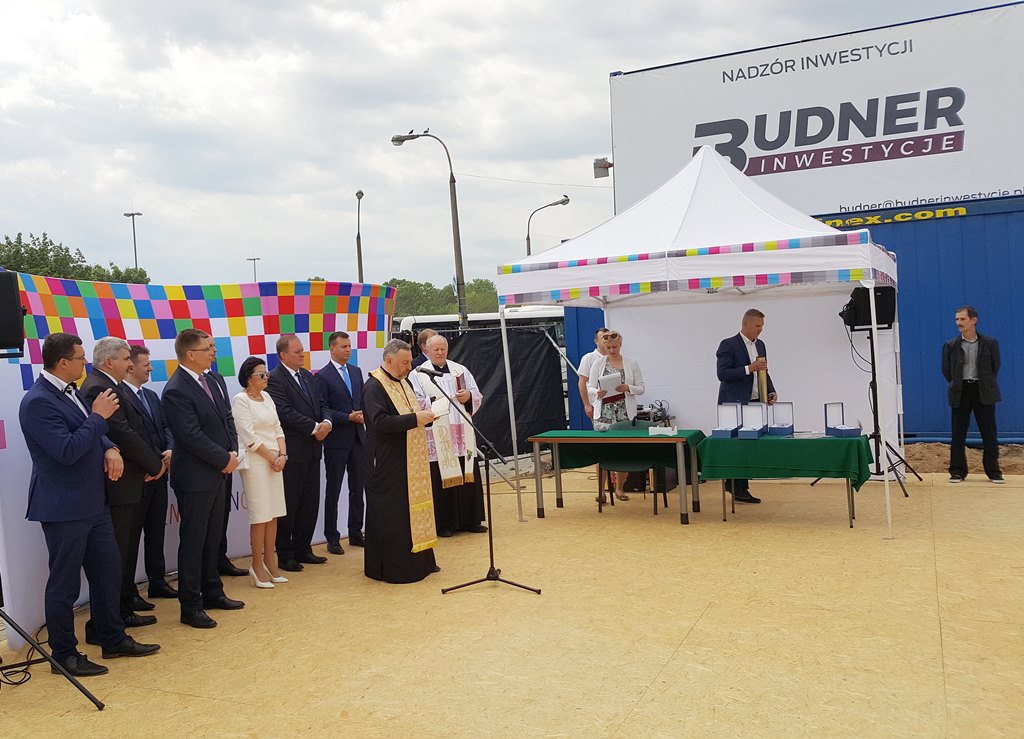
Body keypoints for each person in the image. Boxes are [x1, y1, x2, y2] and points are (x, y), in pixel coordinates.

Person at [19, 333, 159, 677]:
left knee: (108, 572)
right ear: (63, 362)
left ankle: (112, 637)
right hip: (64, 507)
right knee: (64, 585)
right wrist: (98, 417)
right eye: (80, 358)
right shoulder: (37, 401)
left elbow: (95, 433)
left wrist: (110, 447)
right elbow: (67, 450)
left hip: (94, 502)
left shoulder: (70, 392)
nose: (85, 363)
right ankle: (64, 655)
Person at [79, 337, 165, 630]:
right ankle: (113, 617)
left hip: (130, 481)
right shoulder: (99, 387)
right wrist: (155, 465)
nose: (131, 364)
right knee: (116, 555)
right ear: (109, 361)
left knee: (124, 553)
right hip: (119, 485)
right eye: (127, 358)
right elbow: (122, 433)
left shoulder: (109, 385)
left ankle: (122, 609)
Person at [162, 329, 245, 629]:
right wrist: (224, 459)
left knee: (213, 538)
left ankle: (213, 592)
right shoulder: (176, 389)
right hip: (196, 478)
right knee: (194, 542)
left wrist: (232, 451)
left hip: (219, 471)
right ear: (190, 354)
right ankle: (190, 605)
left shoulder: (212, 379)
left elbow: (227, 418)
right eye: (208, 347)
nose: (213, 351)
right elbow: (190, 436)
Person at [362, 338, 439, 583]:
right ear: (389, 360)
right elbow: (378, 422)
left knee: (411, 509)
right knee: (392, 513)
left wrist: (426, 417)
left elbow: (409, 413)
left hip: (408, 456)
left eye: (409, 362)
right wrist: (416, 419)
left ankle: (421, 561)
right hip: (386, 461)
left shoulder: (404, 382)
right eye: (405, 363)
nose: (409, 367)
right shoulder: (374, 386)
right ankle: (396, 568)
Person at [267, 334, 333, 571]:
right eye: (297, 352)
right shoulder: (275, 379)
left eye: (302, 350)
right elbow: (284, 412)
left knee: (309, 503)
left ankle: (303, 548)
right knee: (290, 504)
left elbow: (322, 403)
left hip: (313, 450)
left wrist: (327, 422)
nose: (302, 355)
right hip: (292, 452)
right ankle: (285, 554)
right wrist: (314, 428)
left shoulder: (307, 376)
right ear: (283, 355)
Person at [412, 334, 487, 537]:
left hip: (462, 431)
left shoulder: (459, 370)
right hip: (439, 432)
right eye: (435, 349)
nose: (439, 352)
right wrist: (432, 400)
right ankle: (445, 523)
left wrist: (468, 396)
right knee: (440, 476)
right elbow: (415, 401)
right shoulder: (418, 374)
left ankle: (471, 519)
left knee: (467, 472)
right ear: (427, 350)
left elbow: (476, 394)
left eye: (442, 349)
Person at [123, 345, 178, 599]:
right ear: (130, 366)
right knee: (131, 538)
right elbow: (132, 437)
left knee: (156, 533)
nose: (151, 369)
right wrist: (152, 463)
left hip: (160, 475)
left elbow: (166, 427)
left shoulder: (152, 396)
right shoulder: (120, 396)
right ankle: (129, 590)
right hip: (138, 478)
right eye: (146, 365)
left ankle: (157, 582)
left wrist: (170, 450)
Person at [232, 357, 290, 588]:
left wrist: (282, 455)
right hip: (256, 462)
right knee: (260, 515)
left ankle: (270, 561)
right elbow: (248, 437)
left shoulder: (267, 397)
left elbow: (278, 428)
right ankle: (256, 565)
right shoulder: (240, 400)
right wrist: (272, 458)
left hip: (276, 461)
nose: (266, 378)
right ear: (248, 378)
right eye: (261, 374)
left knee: (274, 513)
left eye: (267, 374)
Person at [716, 308, 777, 504]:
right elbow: (722, 374)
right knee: (736, 446)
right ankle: (736, 485)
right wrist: (748, 368)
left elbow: (764, 371)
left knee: (749, 444)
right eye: (757, 326)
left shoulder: (761, 345)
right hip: (733, 404)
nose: (760, 329)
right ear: (745, 324)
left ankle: (739, 485)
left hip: (754, 403)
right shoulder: (728, 344)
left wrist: (770, 391)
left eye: (762, 326)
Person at [314, 331, 366, 554]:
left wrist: (363, 414)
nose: (347, 350)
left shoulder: (356, 371)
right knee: (334, 489)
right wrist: (347, 417)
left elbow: (362, 400)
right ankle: (332, 537)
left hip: (358, 438)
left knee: (358, 488)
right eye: (343, 346)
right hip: (336, 441)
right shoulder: (322, 376)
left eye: (349, 346)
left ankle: (355, 532)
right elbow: (322, 409)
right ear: (332, 348)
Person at [941, 305, 1004, 484]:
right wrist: (956, 383)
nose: (958, 322)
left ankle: (994, 471)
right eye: (957, 319)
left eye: (962, 319)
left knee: (989, 432)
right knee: (958, 433)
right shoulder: (951, 345)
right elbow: (946, 370)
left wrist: (985, 382)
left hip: (983, 391)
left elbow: (995, 366)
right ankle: (957, 471)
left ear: (973, 320)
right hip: (961, 392)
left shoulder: (989, 343)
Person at [586, 330, 646, 502]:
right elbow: (590, 386)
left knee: (622, 450)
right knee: (601, 452)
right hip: (604, 413)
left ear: (620, 345)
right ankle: (601, 491)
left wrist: (628, 388)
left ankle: (619, 488)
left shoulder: (631, 363)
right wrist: (597, 392)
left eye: (615, 347)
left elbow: (641, 388)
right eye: (608, 348)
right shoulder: (598, 363)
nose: (612, 350)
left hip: (624, 412)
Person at [577, 327, 609, 421]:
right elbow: (582, 382)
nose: (606, 341)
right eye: (603, 338)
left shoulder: (614, 358)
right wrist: (587, 404)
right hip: (596, 404)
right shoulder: (589, 358)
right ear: (596, 341)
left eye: (608, 338)